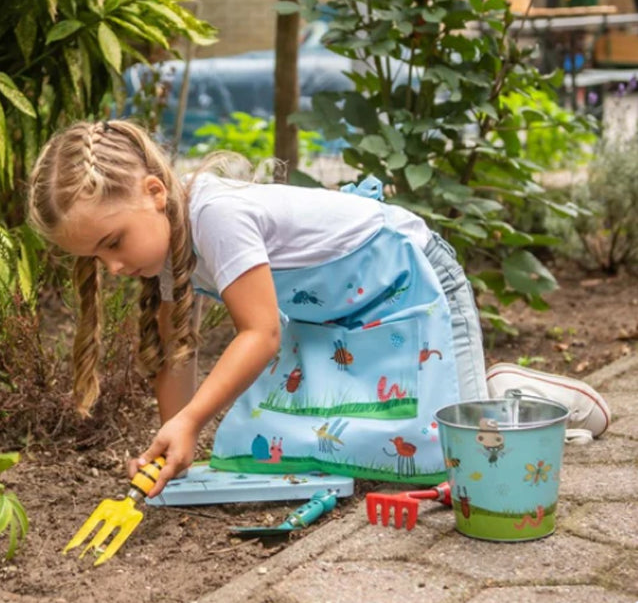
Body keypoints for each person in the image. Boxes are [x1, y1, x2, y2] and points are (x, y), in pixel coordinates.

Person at [28, 119, 610, 497]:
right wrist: (169, 445)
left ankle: (504, 395)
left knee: (459, 464)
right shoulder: (164, 254)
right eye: (95, 257)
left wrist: (191, 421)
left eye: (112, 244)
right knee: (318, 453)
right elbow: (176, 356)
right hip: (337, 320)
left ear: (156, 193)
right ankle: (471, 389)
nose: (113, 267)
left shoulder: (215, 215)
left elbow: (259, 334)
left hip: (411, 282)